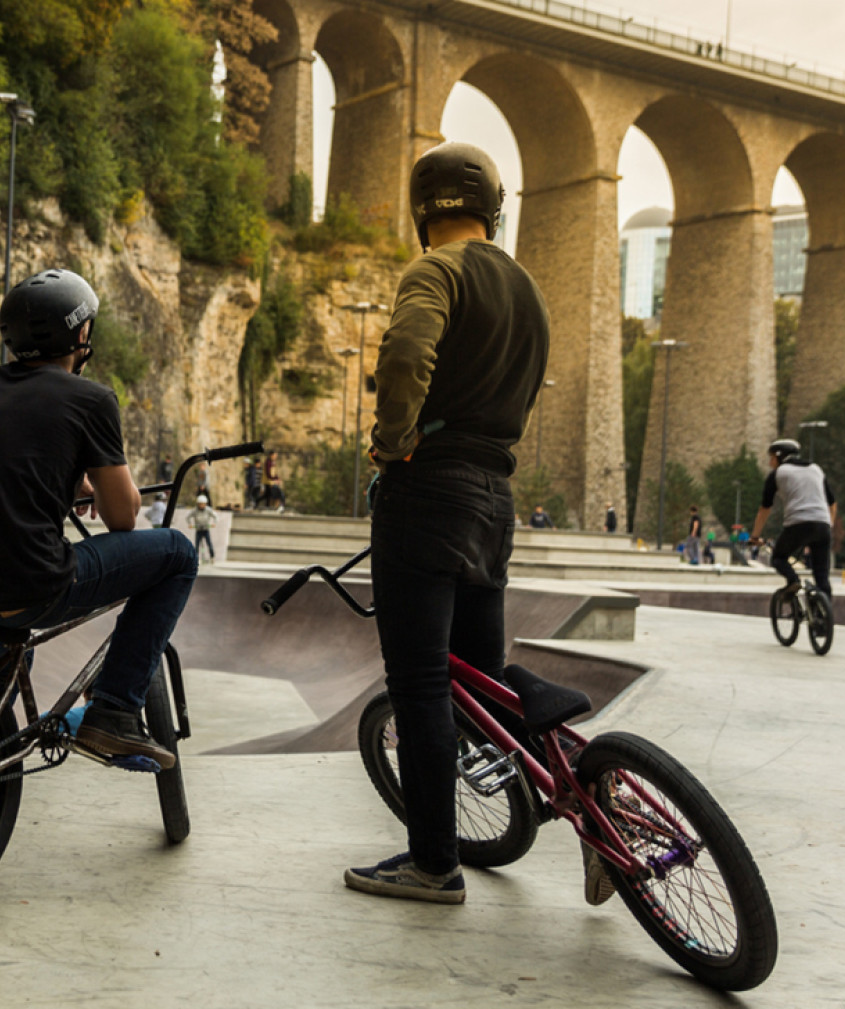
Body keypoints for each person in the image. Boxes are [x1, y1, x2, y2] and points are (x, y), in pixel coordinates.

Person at [0, 268, 195, 841]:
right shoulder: (91, 399)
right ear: (82, 333)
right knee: (176, 553)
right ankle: (114, 709)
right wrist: (107, 489)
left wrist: (73, 485)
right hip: (31, 582)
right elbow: (123, 519)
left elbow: (8, 469)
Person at [344, 142, 549, 905]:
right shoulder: (527, 289)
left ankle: (433, 862)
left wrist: (394, 440)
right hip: (495, 496)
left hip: (429, 488)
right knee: (480, 678)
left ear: (421, 209)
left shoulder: (437, 269)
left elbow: (405, 355)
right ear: (493, 208)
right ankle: (553, 791)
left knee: (422, 680)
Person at [751, 438, 836, 600]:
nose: (770, 463)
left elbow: (765, 509)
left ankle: (793, 581)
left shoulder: (778, 473)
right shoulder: (816, 469)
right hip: (823, 524)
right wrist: (829, 525)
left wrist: (755, 536)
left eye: (772, 458)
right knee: (822, 576)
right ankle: (825, 613)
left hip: (798, 524)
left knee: (778, 558)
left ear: (779, 456)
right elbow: (832, 503)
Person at [188, 494, 218, 562]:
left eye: (203, 504)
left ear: (205, 504)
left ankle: (212, 557)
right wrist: (190, 524)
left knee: (209, 544)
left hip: (206, 529)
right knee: (197, 545)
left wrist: (214, 523)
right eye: (200, 504)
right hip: (198, 530)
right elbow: (188, 517)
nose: (201, 505)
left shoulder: (208, 510)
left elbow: (215, 516)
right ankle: (196, 558)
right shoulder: (195, 510)